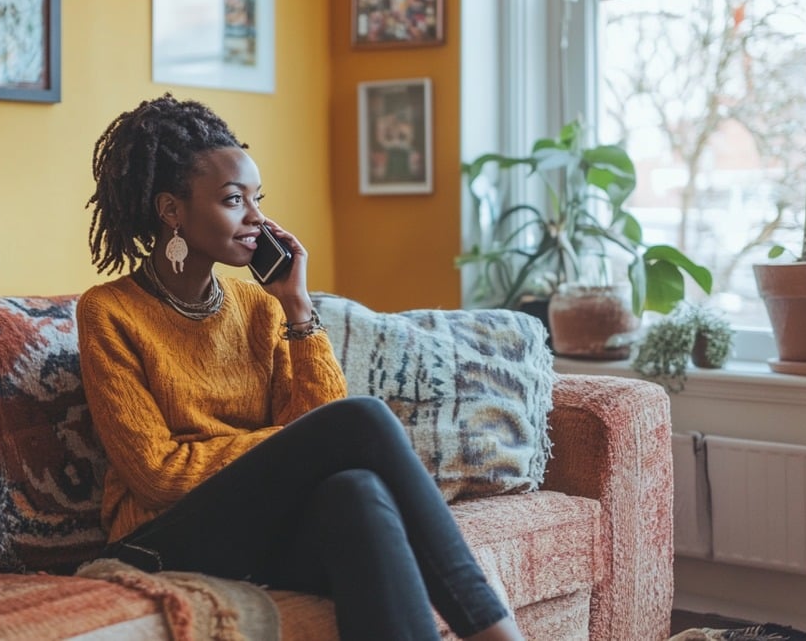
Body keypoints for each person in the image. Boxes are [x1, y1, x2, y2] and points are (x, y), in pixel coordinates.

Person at [77, 93, 525, 641]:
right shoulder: (109, 312)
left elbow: (318, 429)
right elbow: (159, 476)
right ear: (171, 210)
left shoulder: (260, 308)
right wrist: (288, 441)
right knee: (360, 420)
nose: (256, 218)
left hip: (251, 529)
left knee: (356, 492)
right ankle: (496, 633)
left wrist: (298, 307)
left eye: (257, 200)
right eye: (233, 200)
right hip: (158, 542)